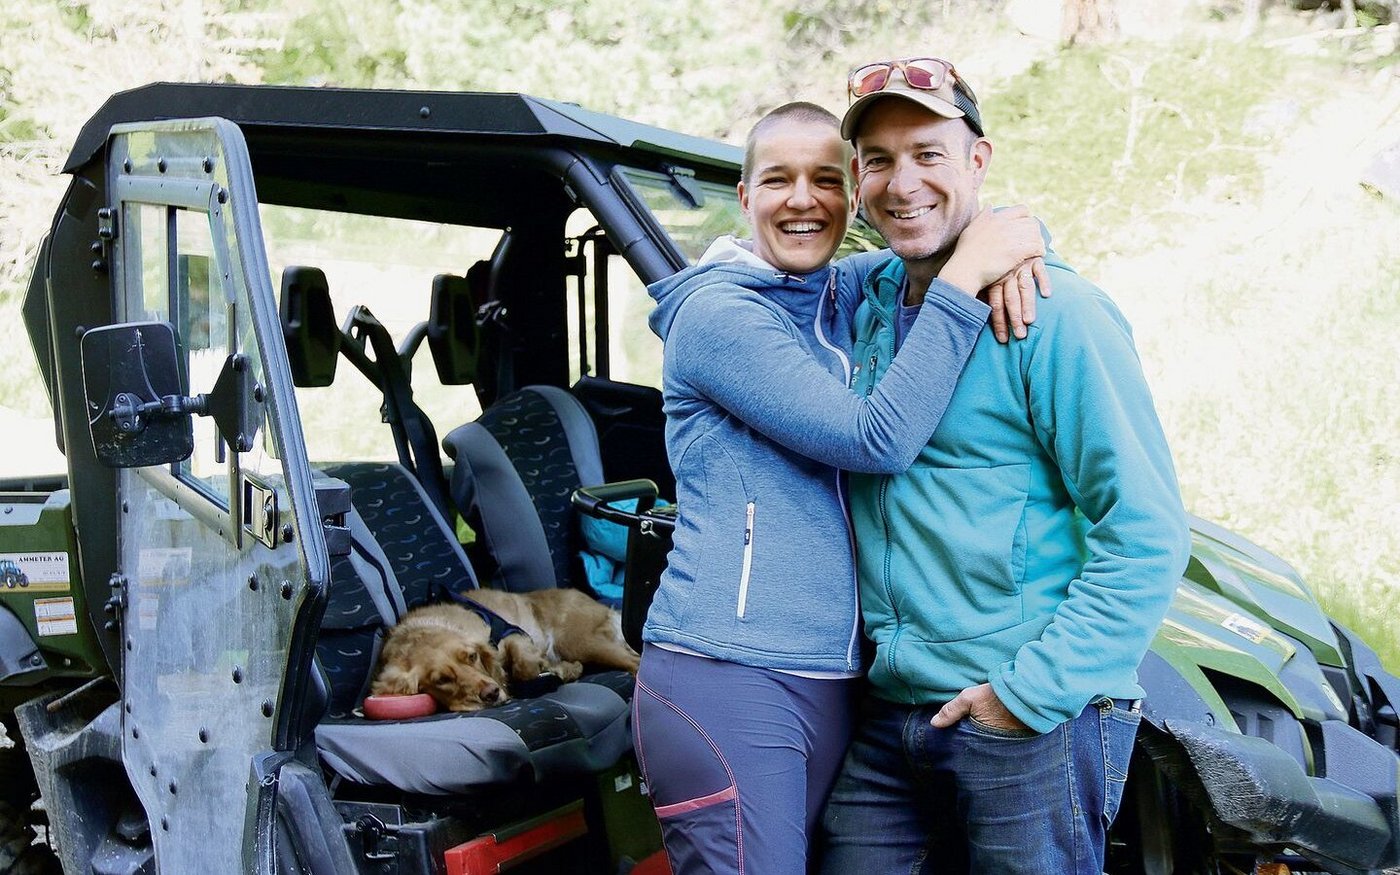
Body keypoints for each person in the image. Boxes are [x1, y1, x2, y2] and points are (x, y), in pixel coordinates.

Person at [632, 101, 1048, 875]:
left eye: (826, 178)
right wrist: (967, 276)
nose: (803, 199)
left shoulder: (840, 293)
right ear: (745, 194)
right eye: (778, 179)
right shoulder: (719, 315)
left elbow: (949, 238)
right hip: (727, 671)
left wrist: (1023, 243)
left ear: (853, 193)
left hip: (830, 678)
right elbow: (873, 440)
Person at [818, 58, 1193, 874]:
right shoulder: (862, 303)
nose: (901, 181)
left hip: (1027, 712)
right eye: (877, 160)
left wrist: (1023, 697)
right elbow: (756, 259)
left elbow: (1147, 531)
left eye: (928, 153)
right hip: (890, 715)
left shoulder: (1057, 317)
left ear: (978, 162)